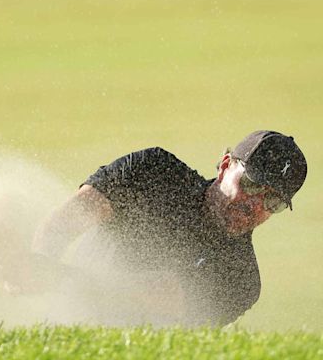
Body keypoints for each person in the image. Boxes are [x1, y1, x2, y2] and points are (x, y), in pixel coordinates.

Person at [32, 130, 307, 326]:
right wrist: (37, 262)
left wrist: (60, 278)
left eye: (272, 201)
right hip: (60, 317)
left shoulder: (242, 279)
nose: (254, 205)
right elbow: (67, 220)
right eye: (251, 184)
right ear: (225, 166)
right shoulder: (153, 171)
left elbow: (156, 294)